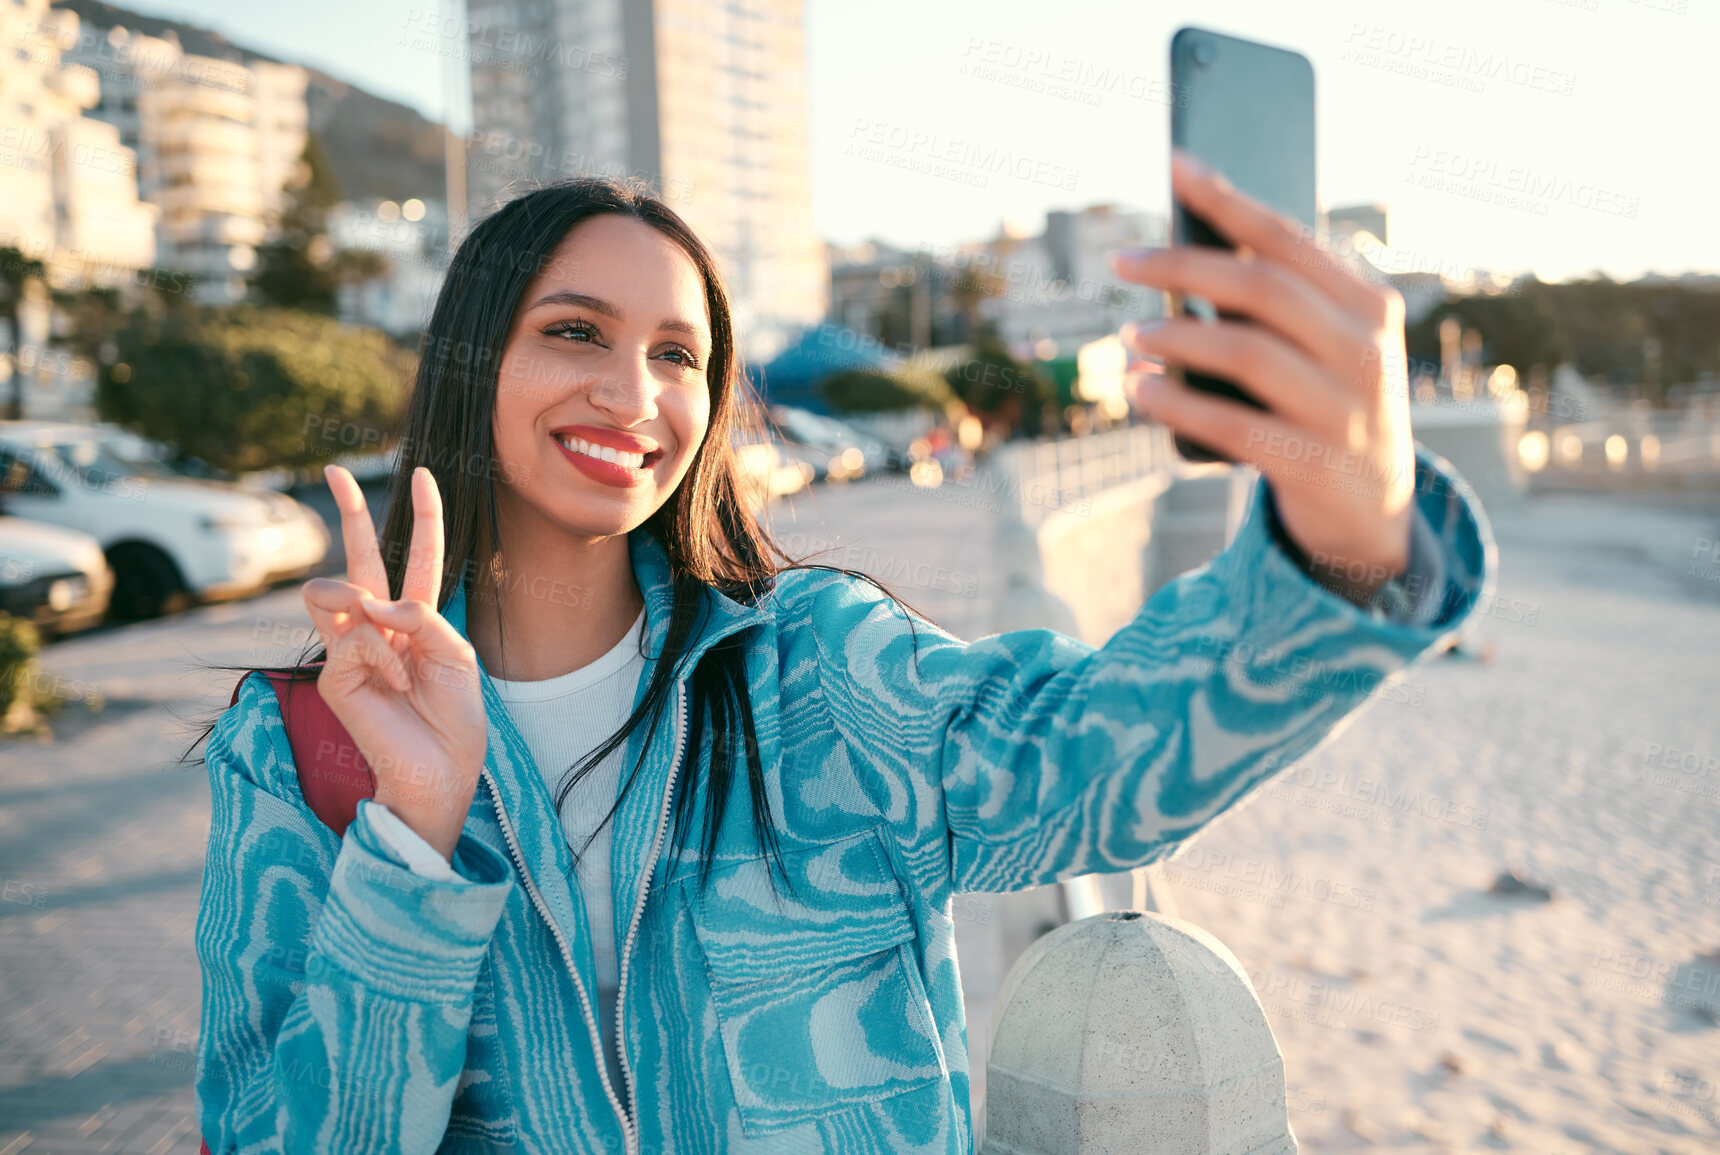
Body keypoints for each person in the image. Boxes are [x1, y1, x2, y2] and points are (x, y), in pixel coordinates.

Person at [191, 154, 1492, 1154]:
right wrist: (415, 840)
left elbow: (1107, 763)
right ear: (474, 359)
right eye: (575, 332)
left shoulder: (820, 673)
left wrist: (1347, 534)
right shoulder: (301, 748)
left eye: (677, 354)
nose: (633, 396)